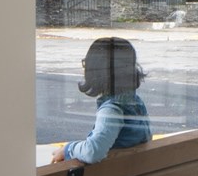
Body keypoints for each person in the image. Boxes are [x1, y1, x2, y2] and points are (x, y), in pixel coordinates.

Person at [51, 37, 152, 165]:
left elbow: (93, 152)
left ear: (95, 73)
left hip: (114, 174)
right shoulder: (135, 103)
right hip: (134, 171)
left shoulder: (112, 110)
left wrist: (67, 149)